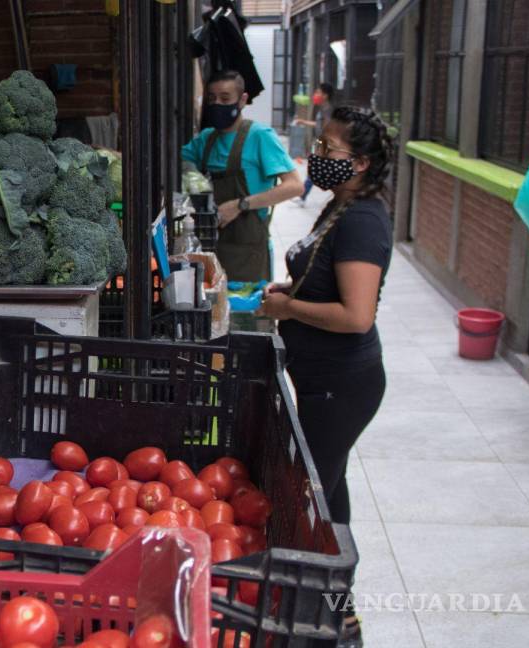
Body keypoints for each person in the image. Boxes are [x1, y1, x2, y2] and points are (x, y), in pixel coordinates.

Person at [258, 105, 394, 647]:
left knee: (312, 501)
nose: (316, 157)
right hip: (322, 379)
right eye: (318, 146)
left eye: (329, 150)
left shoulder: (361, 221)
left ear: (358, 163)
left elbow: (357, 316)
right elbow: (322, 285)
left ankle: (330, 616)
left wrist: (289, 313)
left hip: (343, 384)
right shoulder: (340, 206)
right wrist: (289, 295)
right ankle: (342, 611)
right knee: (327, 494)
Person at [181, 71, 303, 282]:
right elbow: (171, 159)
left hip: (247, 251)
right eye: (212, 98)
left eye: (225, 98)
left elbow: (294, 186)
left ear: (243, 100)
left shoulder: (260, 136)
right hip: (210, 247)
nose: (218, 104)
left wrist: (240, 205)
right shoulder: (207, 139)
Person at [292, 83, 337, 205]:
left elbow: (327, 129)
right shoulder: (324, 109)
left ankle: (303, 197)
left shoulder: (328, 110)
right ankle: (303, 197)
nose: (315, 95)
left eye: (318, 92)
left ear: (325, 95)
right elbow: (318, 125)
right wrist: (303, 122)